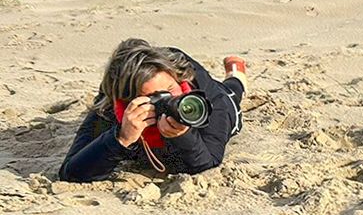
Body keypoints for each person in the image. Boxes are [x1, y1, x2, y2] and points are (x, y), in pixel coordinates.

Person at [59, 39, 247, 182]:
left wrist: (183, 135)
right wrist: (121, 138)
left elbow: (209, 163)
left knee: (232, 94)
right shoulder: (111, 103)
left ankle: (236, 74)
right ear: (125, 102)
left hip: (213, 93)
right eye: (152, 97)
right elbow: (71, 173)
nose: (166, 100)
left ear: (178, 79)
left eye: (170, 90)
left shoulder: (203, 95)